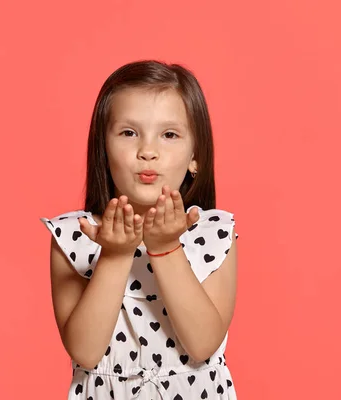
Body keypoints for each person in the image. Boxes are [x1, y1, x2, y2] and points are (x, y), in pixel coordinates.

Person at [40, 60, 239, 399]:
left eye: (169, 135)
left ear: (196, 157)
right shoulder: (77, 235)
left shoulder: (213, 234)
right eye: (129, 133)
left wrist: (165, 249)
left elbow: (204, 344)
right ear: (103, 149)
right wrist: (116, 256)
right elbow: (85, 352)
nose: (148, 151)